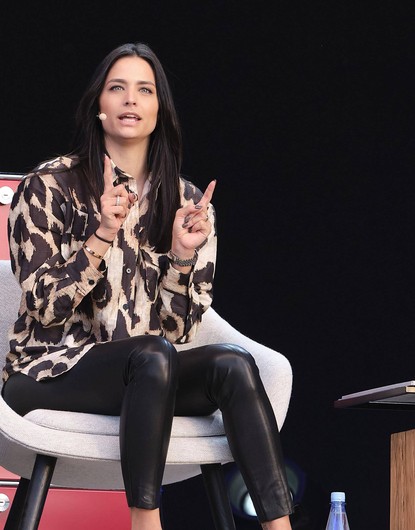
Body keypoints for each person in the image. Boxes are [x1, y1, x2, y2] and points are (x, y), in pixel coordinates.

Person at [3, 43, 294, 530]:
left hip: (148, 374)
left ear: (159, 111)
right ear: (99, 106)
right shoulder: (48, 186)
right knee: (152, 355)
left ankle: (279, 525)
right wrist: (100, 236)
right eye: (117, 89)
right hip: (48, 372)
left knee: (233, 365)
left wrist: (181, 254)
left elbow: (181, 331)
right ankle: (146, 522)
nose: (130, 100)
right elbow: (42, 306)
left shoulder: (187, 201)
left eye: (144, 90)